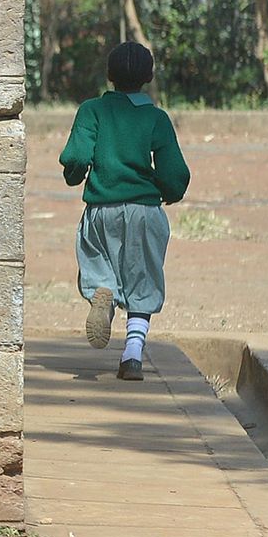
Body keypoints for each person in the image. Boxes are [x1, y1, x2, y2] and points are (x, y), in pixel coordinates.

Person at [59, 41, 191, 380]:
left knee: (98, 263)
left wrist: (74, 176)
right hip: (144, 211)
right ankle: (132, 355)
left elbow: (75, 158)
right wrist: (170, 192)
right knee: (143, 279)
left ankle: (102, 294)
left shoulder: (91, 111)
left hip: (101, 209)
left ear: (108, 75)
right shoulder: (156, 118)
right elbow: (174, 172)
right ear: (149, 77)